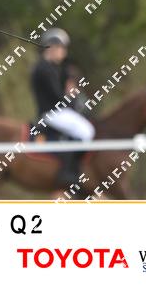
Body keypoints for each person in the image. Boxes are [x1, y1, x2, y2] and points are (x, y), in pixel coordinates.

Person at [30, 28, 95, 187]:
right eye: (61, 48)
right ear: (51, 47)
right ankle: (67, 171)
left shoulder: (54, 68)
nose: (64, 52)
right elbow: (58, 97)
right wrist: (71, 97)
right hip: (51, 113)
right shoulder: (43, 69)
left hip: (59, 111)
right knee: (86, 131)